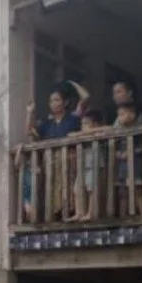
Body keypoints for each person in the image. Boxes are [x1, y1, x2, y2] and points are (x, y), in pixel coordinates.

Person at [25, 81, 89, 220]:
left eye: (57, 100)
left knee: (70, 188)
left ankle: (71, 213)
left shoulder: (72, 119)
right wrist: (30, 113)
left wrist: (73, 83)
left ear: (65, 103)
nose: (53, 103)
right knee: (53, 190)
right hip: (52, 163)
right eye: (51, 101)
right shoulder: (47, 124)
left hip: (70, 161)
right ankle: (56, 216)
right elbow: (30, 132)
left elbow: (86, 98)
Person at [74, 109, 108, 222]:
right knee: (77, 189)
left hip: (94, 164)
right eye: (82, 124)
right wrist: (84, 132)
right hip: (83, 164)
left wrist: (91, 131)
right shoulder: (82, 135)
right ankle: (79, 212)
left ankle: (90, 212)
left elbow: (109, 129)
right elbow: (70, 135)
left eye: (86, 123)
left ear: (95, 124)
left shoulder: (99, 133)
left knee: (91, 189)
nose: (83, 126)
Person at [114, 101, 142, 216]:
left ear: (132, 115)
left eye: (123, 114)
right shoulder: (118, 131)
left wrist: (132, 152)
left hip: (135, 163)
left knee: (137, 190)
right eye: (119, 115)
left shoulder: (139, 130)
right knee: (122, 192)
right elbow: (115, 147)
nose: (120, 118)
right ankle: (124, 217)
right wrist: (117, 153)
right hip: (122, 165)